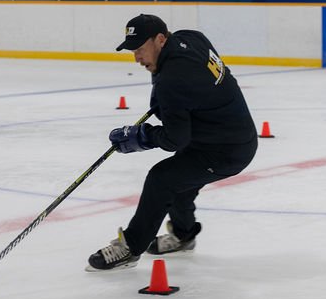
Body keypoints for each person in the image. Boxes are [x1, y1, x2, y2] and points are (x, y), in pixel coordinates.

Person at [87, 14, 258, 271]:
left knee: (162, 179)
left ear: (160, 39)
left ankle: (130, 248)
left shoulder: (173, 81)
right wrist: (165, 98)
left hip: (226, 151)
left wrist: (141, 136)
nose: (137, 58)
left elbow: (174, 139)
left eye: (141, 49)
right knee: (180, 183)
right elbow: (191, 82)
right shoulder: (191, 38)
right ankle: (183, 235)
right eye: (133, 50)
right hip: (221, 135)